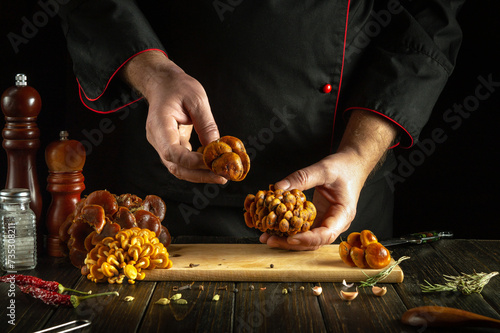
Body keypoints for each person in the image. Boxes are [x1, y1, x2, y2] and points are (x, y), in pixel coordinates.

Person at [58, 0, 464, 250]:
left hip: (341, 195)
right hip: (173, 189)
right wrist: (151, 73)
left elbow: (430, 16)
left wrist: (360, 153)